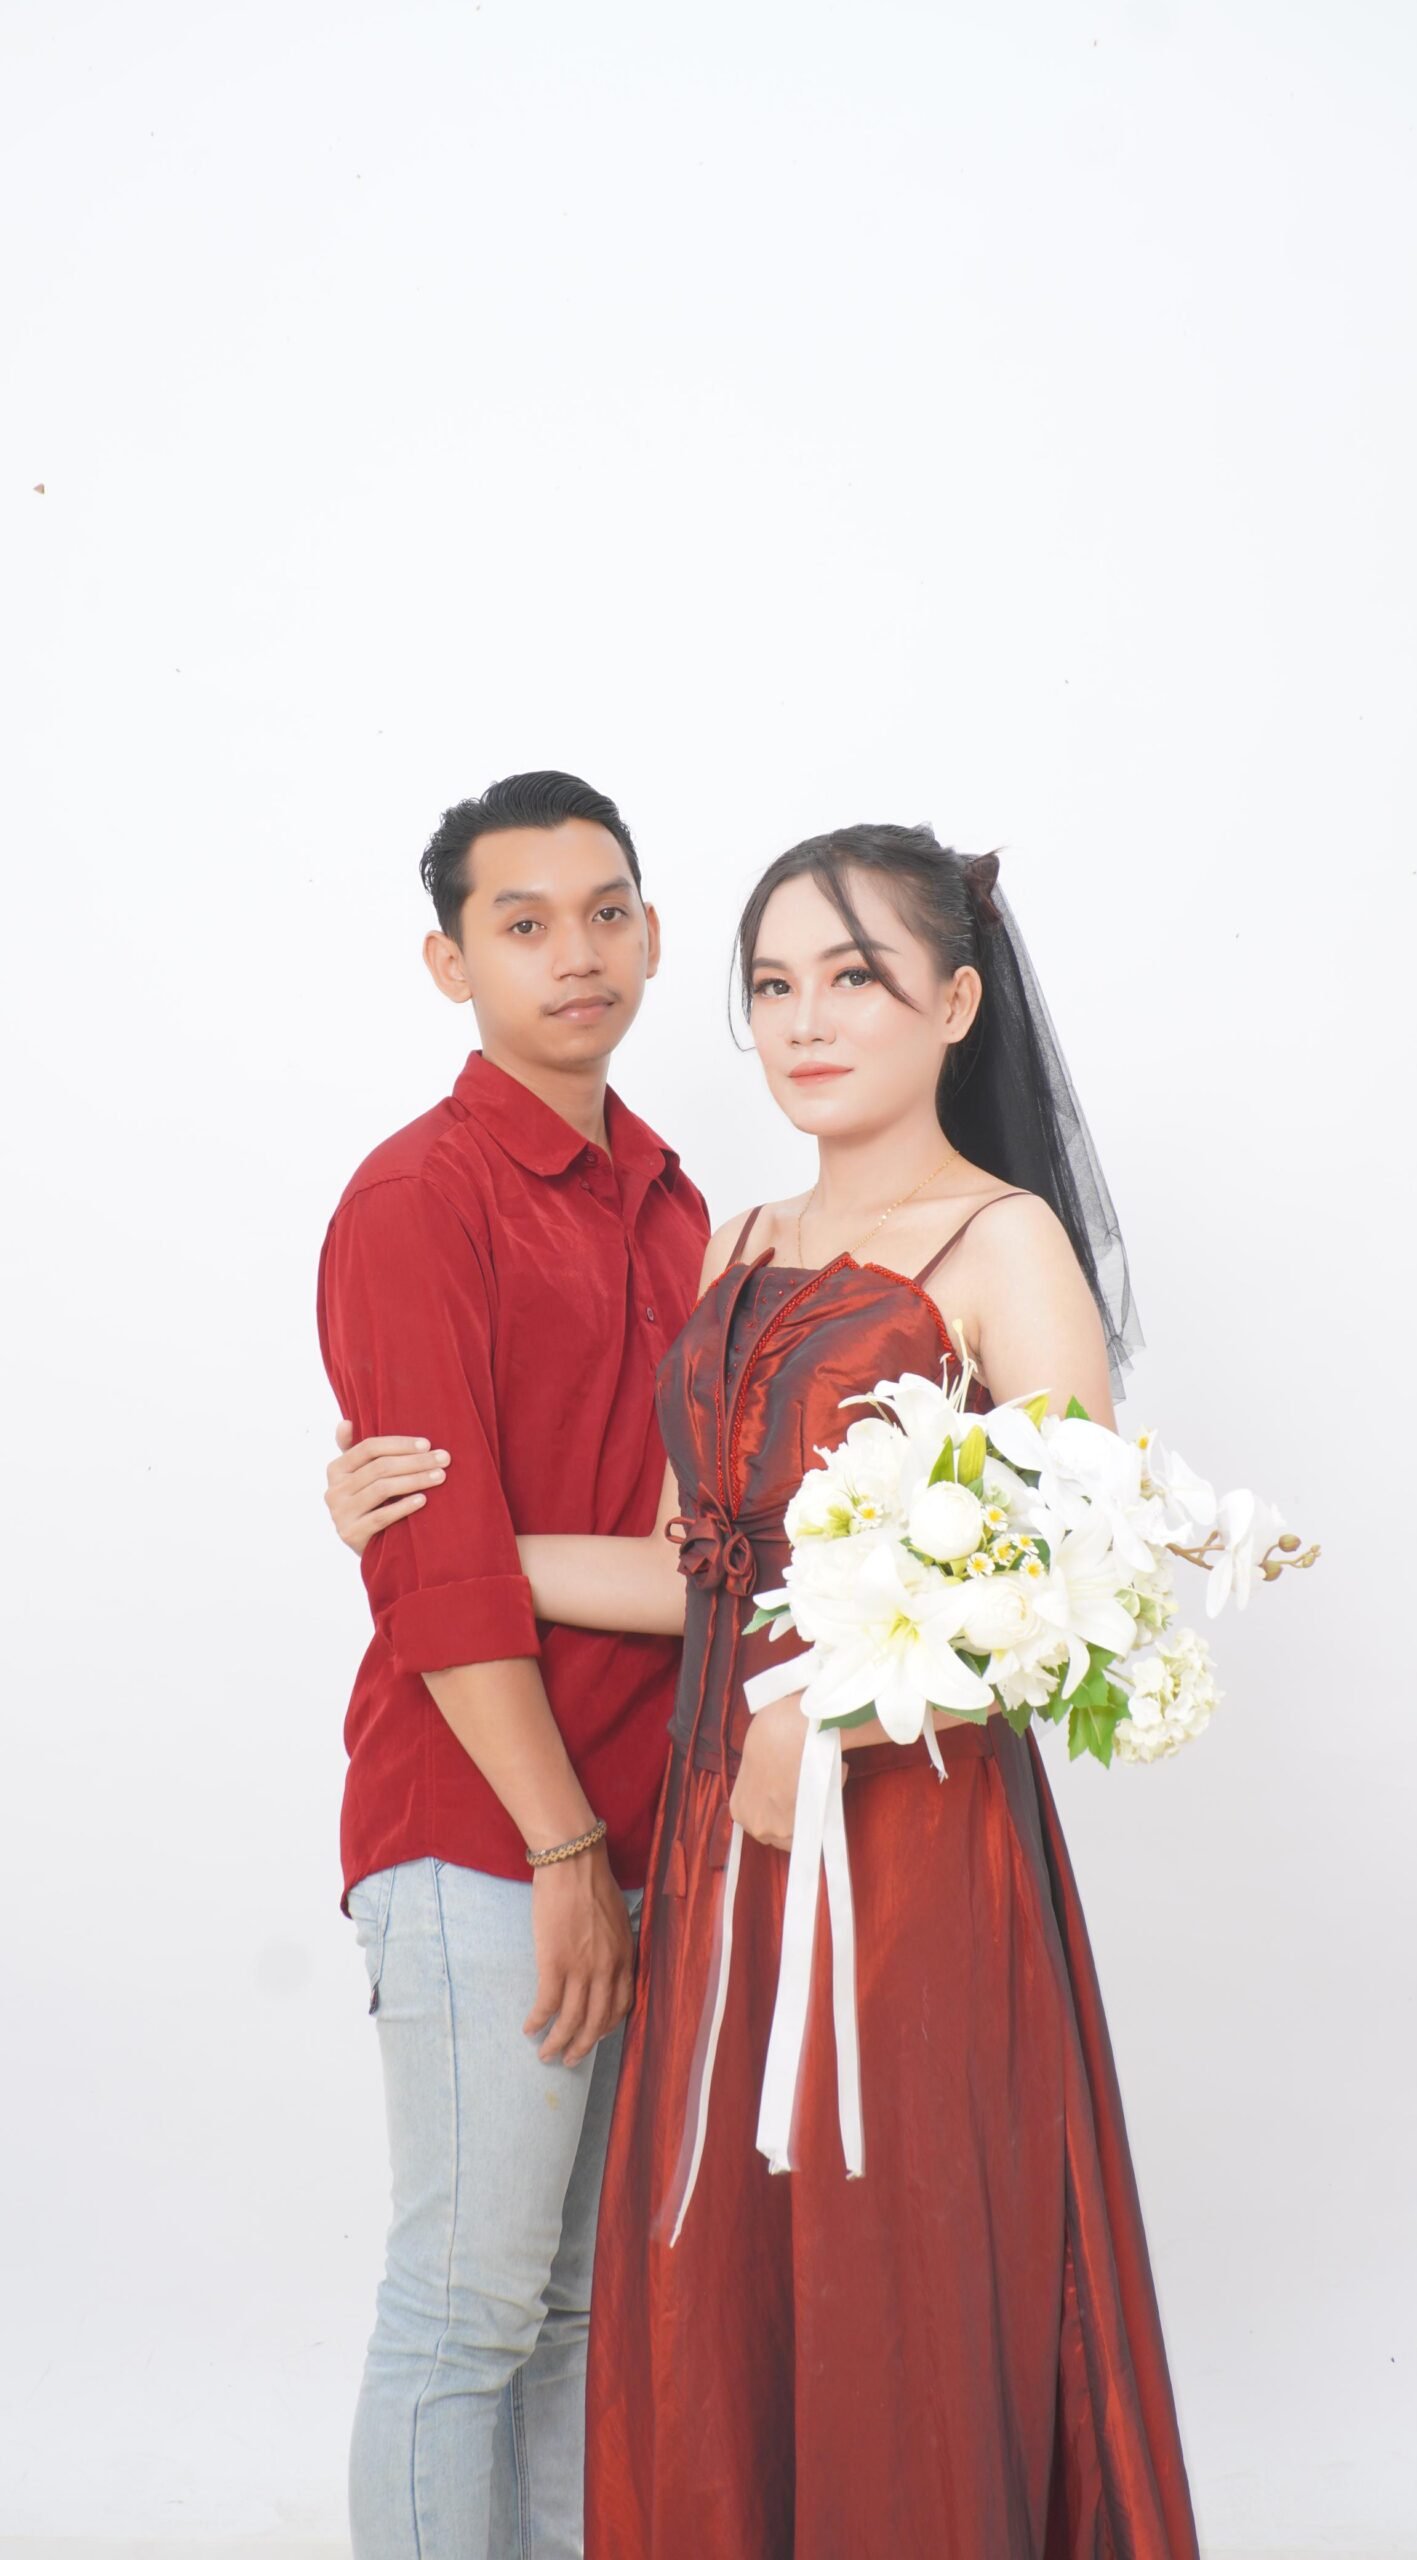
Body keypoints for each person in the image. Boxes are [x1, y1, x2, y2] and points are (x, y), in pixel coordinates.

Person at [329, 822, 1202, 2556]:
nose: (807, 1021)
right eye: (776, 985)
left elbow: (1078, 1575)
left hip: (908, 1856)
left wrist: (838, 1710)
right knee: (714, 2297)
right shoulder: (737, 1238)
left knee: (896, 2277)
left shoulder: (1003, 1242)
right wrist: (435, 1531)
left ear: (955, 1003)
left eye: (855, 978)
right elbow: (696, 1569)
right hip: (723, 1848)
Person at [315, 770, 708, 2560]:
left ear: (651, 932)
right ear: (449, 962)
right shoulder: (420, 1197)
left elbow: (707, 1550)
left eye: (607, 912)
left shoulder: (675, 1204)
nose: (577, 953)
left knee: (574, 2315)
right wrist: (562, 1851)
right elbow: (439, 1577)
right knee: (465, 2311)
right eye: (524, 923)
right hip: (485, 1829)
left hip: (646, 1824)